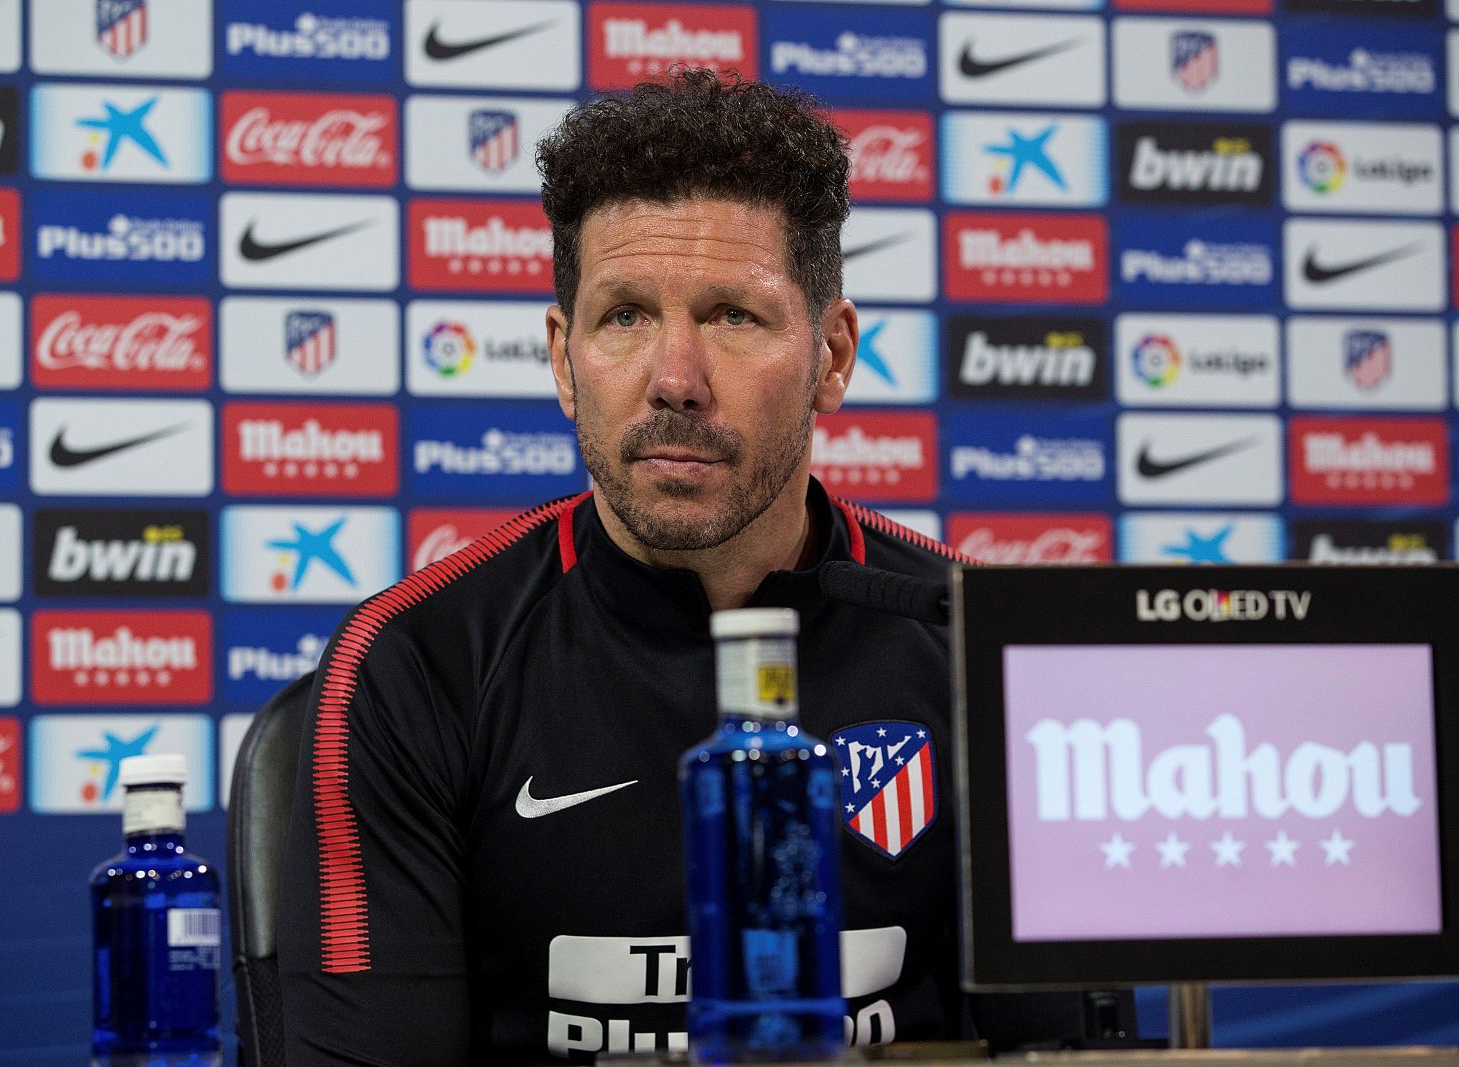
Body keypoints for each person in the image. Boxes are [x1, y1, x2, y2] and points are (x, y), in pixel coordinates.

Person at [278, 69, 1086, 1066]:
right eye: (622, 315)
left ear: (833, 354)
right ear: (564, 360)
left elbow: (1073, 1051)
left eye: (733, 316)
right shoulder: (412, 665)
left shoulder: (985, 645)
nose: (674, 378)